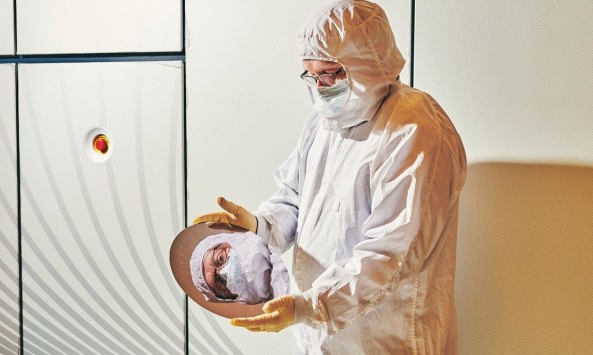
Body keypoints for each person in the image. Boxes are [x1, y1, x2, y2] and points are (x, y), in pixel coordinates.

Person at [194, 0, 467, 353]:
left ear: (369, 65)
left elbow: (390, 255)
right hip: (321, 335)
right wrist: (259, 225)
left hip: (389, 340)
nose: (321, 87)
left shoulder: (415, 132)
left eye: (331, 74)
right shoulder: (325, 121)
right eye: (312, 75)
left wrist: (312, 305)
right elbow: (294, 198)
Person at [189, 231, 289, 304]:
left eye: (220, 259)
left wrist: (263, 223)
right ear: (229, 297)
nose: (224, 272)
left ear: (226, 242)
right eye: (221, 282)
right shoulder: (290, 308)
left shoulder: (281, 225)